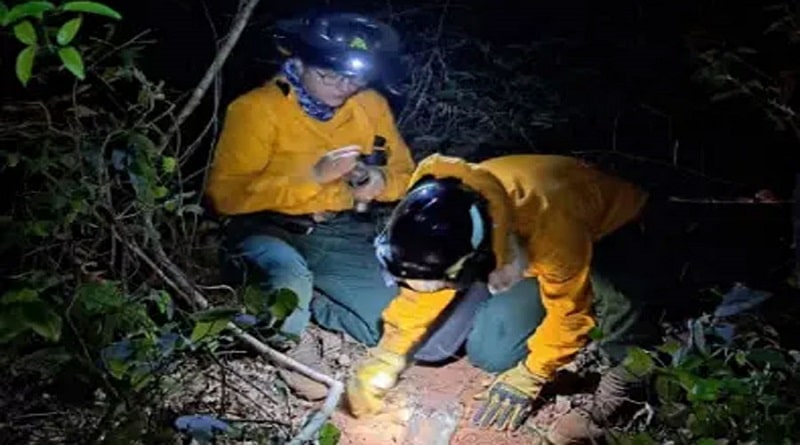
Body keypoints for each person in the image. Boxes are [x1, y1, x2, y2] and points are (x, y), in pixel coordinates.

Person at [346, 153, 683, 444]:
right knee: (468, 348)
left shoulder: (552, 234)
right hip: (515, 245)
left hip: (613, 226)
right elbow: (423, 286)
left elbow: (570, 314)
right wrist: (390, 351)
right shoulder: (436, 212)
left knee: (622, 301)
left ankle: (618, 390)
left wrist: (532, 374)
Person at [205, 11, 415, 401]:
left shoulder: (370, 105)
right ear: (298, 62)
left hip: (335, 230)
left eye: (354, 77)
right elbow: (224, 195)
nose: (342, 86)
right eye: (328, 74)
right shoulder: (256, 109)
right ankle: (287, 344)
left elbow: (406, 173)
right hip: (265, 227)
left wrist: (378, 182)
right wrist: (313, 178)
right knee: (287, 277)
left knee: (383, 325)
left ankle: (313, 299)